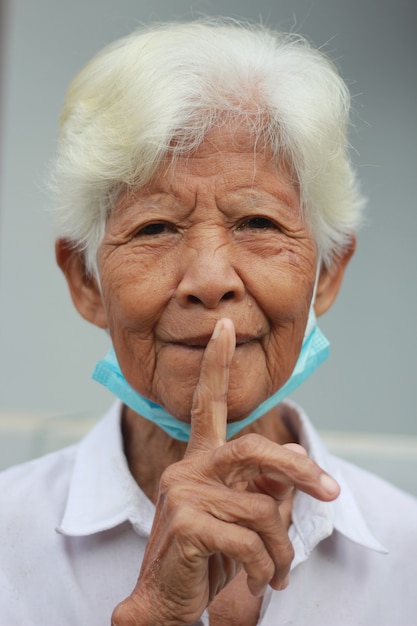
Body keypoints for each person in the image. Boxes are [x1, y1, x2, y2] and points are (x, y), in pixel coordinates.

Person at [1, 19, 416, 626]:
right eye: (155, 228)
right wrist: (157, 614)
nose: (210, 278)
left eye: (258, 223)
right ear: (86, 282)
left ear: (326, 273)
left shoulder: (406, 554)